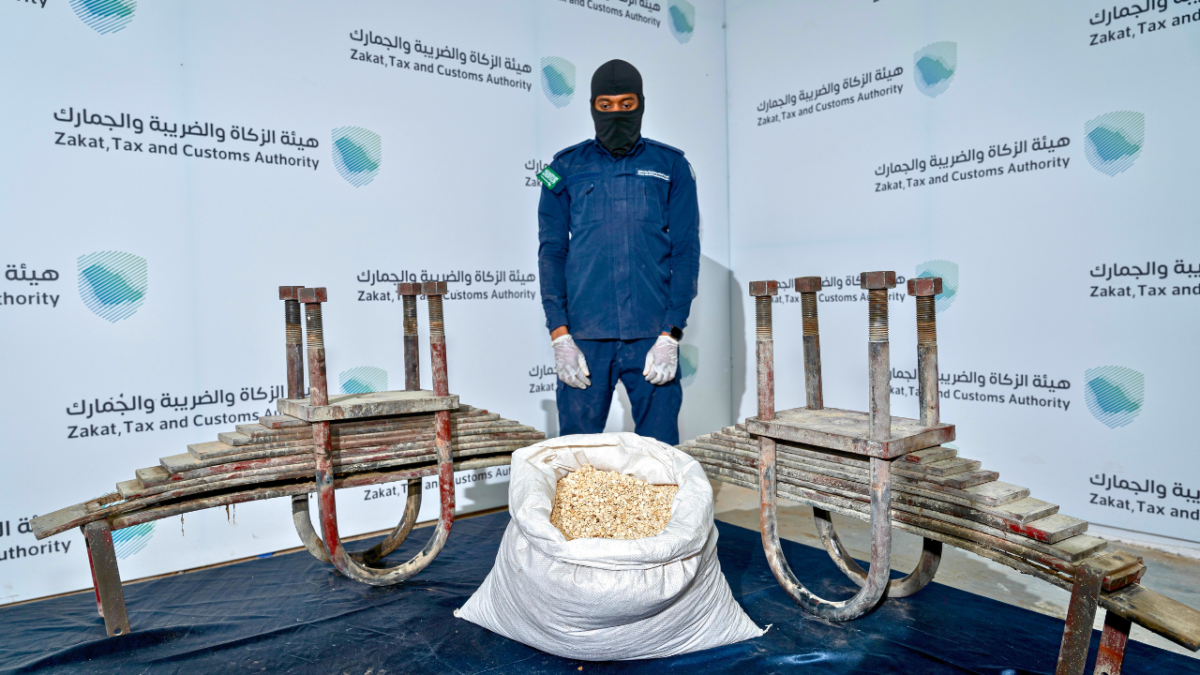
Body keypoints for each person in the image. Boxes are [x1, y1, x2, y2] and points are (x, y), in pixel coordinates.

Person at [536, 59, 700, 446]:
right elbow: (552, 253)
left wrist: (672, 334)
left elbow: (685, 252)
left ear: (640, 103)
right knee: (577, 453)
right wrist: (560, 335)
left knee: (660, 452)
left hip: (652, 334)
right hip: (585, 336)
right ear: (592, 106)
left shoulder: (671, 166)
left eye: (626, 105)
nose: (616, 113)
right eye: (605, 105)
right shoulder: (563, 167)